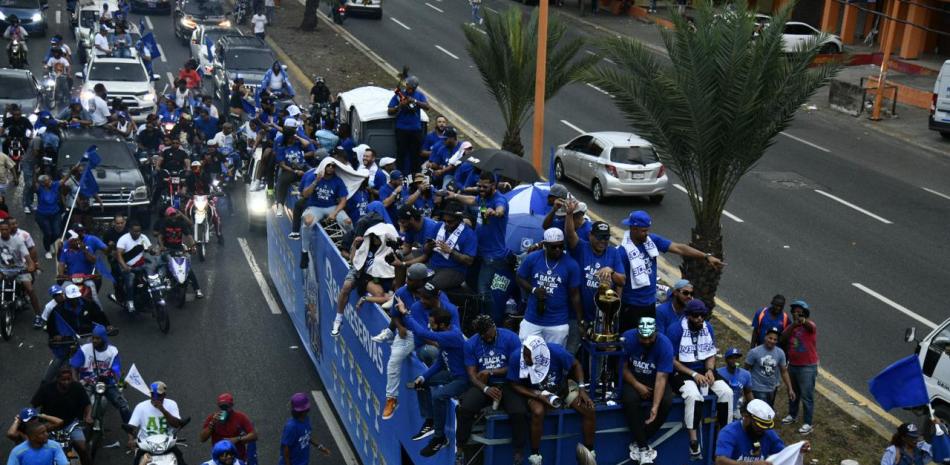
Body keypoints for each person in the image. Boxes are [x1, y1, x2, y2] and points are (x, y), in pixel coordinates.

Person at [618, 210, 724, 332]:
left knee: (648, 339)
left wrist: (706, 256)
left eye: (648, 230)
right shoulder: (622, 252)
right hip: (631, 306)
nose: (647, 234)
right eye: (643, 231)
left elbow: (679, 248)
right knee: (630, 339)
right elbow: (620, 282)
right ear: (633, 229)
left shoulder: (652, 241)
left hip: (649, 304)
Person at [507, 336, 596, 465]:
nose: (525, 359)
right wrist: (537, 395)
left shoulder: (556, 352)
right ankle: (535, 456)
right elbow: (514, 384)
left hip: (560, 387)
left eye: (528, 356)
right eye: (524, 355)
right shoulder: (516, 357)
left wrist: (582, 389)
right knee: (538, 412)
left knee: (589, 409)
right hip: (534, 391)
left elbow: (576, 364)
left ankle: (589, 454)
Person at [398, 302, 468, 457]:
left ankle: (439, 438)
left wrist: (405, 314)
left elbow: (422, 333)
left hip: (462, 379)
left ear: (442, 325)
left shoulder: (452, 336)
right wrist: (424, 377)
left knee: (438, 396)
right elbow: (440, 363)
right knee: (420, 382)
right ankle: (430, 420)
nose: (430, 326)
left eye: (432, 324)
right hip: (450, 373)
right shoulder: (445, 335)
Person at [667, 299, 733, 459]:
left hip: (704, 369)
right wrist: (694, 374)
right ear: (688, 315)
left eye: (702, 315)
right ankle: (694, 442)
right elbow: (672, 360)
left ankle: (724, 436)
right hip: (682, 371)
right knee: (693, 396)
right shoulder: (675, 330)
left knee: (727, 392)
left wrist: (710, 370)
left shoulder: (707, 327)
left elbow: (710, 353)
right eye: (696, 316)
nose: (700, 319)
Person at [454, 315, 523, 465]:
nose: (487, 338)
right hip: (483, 384)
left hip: (508, 382)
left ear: (493, 327)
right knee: (464, 408)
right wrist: (485, 388)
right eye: (483, 336)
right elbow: (472, 375)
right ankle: (460, 448)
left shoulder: (511, 337)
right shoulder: (471, 343)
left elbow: (516, 367)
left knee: (519, 412)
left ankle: (518, 450)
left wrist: (491, 371)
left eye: (489, 334)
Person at [378, 264, 441, 420]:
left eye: (411, 279)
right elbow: (395, 315)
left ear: (421, 281)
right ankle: (391, 398)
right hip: (411, 334)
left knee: (433, 354)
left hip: (431, 333)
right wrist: (399, 327)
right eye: (407, 278)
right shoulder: (401, 292)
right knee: (394, 360)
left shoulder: (432, 293)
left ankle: (445, 391)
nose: (408, 281)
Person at [445, 172, 510, 318]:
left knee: (483, 290)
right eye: (479, 186)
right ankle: (477, 314)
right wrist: (454, 196)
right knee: (470, 284)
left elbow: (501, 209)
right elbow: (472, 200)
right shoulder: (483, 197)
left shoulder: (499, 200)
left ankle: (492, 320)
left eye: (484, 186)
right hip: (478, 251)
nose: (480, 189)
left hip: (492, 255)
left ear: (493, 186)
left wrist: (495, 212)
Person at [564, 205, 625, 353]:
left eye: (606, 237)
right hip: (577, 313)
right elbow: (570, 233)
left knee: (599, 354)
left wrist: (611, 272)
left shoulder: (613, 253)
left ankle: (594, 377)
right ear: (590, 235)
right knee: (571, 349)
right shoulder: (581, 248)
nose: (603, 241)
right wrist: (569, 214)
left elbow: (622, 281)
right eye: (599, 237)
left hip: (602, 317)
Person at [619, 317, 674, 464]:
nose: (647, 341)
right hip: (633, 377)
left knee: (667, 401)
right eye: (643, 338)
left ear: (656, 333)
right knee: (630, 400)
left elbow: (662, 377)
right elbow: (621, 368)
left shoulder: (665, 345)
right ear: (637, 333)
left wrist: (655, 407)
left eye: (650, 338)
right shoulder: (627, 338)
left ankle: (639, 441)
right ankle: (644, 448)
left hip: (654, 378)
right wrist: (637, 385)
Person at [516, 228, 582, 347]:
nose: (558, 249)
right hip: (532, 320)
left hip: (557, 323)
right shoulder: (533, 258)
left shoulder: (571, 264)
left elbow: (575, 295)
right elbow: (520, 277)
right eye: (553, 247)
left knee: (554, 360)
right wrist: (534, 290)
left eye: (561, 246)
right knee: (527, 356)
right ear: (545, 245)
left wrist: (580, 320)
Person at [45, 285, 112, 381]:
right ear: (66, 297)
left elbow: (100, 316)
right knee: (58, 361)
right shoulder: (58, 310)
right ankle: (45, 383)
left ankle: (108, 380)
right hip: (68, 341)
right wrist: (55, 335)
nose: (74, 300)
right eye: (71, 298)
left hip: (88, 338)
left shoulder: (89, 304)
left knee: (104, 356)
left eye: (76, 298)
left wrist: (107, 325)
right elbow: (51, 326)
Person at [291, 162, 351, 268]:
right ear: (323, 166)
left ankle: (350, 249)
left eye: (333, 166)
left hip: (331, 207)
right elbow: (305, 194)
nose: (331, 168)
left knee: (348, 222)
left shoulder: (337, 180)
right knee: (307, 222)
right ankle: (304, 252)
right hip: (315, 207)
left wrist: (334, 213)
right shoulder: (312, 176)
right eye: (328, 165)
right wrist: (316, 181)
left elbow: (343, 200)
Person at [69, 323, 132, 422]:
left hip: (107, 383)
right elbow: (74, 367)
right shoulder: (85, 349)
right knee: (76, 404)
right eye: (93, 338)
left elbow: (115, 369)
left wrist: (120, 381)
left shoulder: (113, 351)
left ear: (104, 338)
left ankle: (131, 435)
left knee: (124, 406)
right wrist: (76, 383)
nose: (94, 340)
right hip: (87, 382)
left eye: (98, 338)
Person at [714, 399, 809, 465]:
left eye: (765, 427)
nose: (762, 430)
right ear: (746, 417)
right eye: (758, 426)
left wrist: (798, 449)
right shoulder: (729, 433)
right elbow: (720, 461)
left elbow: (783, 454)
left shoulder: (768, 433)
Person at [30, 367, 93, 465]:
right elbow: (33, 406)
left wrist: (88, 416)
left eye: (69, 379)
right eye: (64, 379)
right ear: (57, 379)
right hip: (49, 426)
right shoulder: (46, 389)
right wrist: (34, 422)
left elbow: (87, 404)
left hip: (70, 425)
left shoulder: (77, 387)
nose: (67, 382)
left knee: (83, 449)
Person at [410, 202, 475, 290]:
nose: (446, 224)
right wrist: (429, 246)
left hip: (454, 270)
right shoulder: (439, 226)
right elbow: (425, 252)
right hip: (434, 264)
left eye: (450, 221)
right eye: (444, 220)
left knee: (429, 287)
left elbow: (469, 261)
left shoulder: (469, 234)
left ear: (459, 220)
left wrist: (451, 251)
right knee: (412, 280)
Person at [780, 300, 818, 435]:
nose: (796, 314)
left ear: (805, 314)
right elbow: (783, 338)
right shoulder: (792, 326)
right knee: (793, 393)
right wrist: (793, 325)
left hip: (807, 367)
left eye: (799, 312)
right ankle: (792, 414)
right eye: (794, 312)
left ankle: (808, 423)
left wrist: (802, 321)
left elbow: (810, 326)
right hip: (793, 365)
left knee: (807, 396)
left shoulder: (809, 325)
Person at [128, 382, 185, 465]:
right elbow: (131, 426)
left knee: (180, 460)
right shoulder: (140, 407)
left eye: (159, 395)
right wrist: (130, 439)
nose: (155, 398)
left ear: (164, 395)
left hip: (167, 443)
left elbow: (176, 424)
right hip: (146, 445)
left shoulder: (171, 404)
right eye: (153, 395)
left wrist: (163, 410)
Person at [154, 207, 203, 298]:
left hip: (179, 249)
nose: (173, 217)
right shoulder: (164, 224)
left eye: (174, 215)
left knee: (187, 267)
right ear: (167, 216)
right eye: (171, 216)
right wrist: (162, 247)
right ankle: (158, 290)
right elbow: (160, 237)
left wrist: (193, 247)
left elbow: (189, 236)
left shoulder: (181, 224)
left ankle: (197, 289)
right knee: (161, 268)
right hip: (167, 249)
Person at [387, 75, 429, 174]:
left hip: (415, 129)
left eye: (412, 89)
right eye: (409, 88)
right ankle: (400, 175)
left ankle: (415, 177)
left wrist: (414, 101)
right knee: (401, 154)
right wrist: (399, 106)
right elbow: (390, 110)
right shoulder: (399, 95)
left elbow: (427, 106)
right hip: (402, 129)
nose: (410, 90)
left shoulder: (419, 95)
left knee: (415, 155)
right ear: (406, 85)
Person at [0, 220, 40, 325]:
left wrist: (31, 266)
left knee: (30, 289)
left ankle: (38, 316)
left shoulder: (18, 241)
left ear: (9, 229)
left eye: (6, 229)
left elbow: (28, 258)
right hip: (3, 270)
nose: (4, 231)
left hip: (19, 269)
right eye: (2, 229)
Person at [745, 326, 794, 407]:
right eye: (770, 338)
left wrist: (790, 388)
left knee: (768, 410)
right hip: (757, 388)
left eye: (775, 339)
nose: (772, 341)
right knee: (760, 412)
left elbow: (784, 371)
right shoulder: (754, 352)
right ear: (765, 337)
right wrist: (746, 389)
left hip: (772, 388)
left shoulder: (780, 353)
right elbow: (746, 369)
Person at [200, 394, 257, 462]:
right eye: (221, 407)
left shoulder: (240, 417)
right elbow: (202, 438)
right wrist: (212, 423)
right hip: (219, 459)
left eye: (226, 407)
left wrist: (237, 439)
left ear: (231, 405)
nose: (224, 409)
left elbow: (254, 435)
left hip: (237, 458)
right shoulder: (213, 418)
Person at [278, 393, 331, 465]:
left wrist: (320, 447)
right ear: (304, 411)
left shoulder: (306, 419)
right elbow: (286, 449)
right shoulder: (291, 427)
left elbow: (307, 435)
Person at [115, 222, 152, 313]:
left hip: (141, 266)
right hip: (128, 267)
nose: (137, 233)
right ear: (130, 230)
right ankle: (130, 302)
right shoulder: (123, 239)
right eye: (135, 231)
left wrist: (154, 251)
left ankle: (149, 299)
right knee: (130, 281)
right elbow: (119, 255)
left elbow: (150, 249)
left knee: (152, 279)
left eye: (139, 231)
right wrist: (125, 266)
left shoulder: (143, 238)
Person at [34, 174, 68, 259]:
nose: (50, 182)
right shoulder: (40, 189)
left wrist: (72, 170)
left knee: (57, 232)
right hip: (42, 215)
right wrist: (35, 173)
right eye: (48, 181)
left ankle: (50, 242)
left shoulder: (55, 185)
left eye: (50, 179)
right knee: (48, 233)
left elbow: (64, 179)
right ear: (43, 183)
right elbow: (34, 183)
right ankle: (48, 250)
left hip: (55, 213)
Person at [717, 347, 753, 422]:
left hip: (736, 410)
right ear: (726, 360)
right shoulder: (718, 373)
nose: (734, 360)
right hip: (720, 409)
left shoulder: (746, 374)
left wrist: (754, 406)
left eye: (736, 358)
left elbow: (748, 392)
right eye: (731, 358)